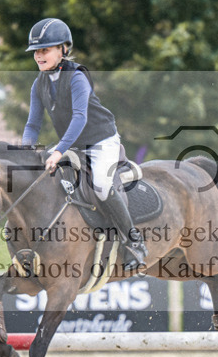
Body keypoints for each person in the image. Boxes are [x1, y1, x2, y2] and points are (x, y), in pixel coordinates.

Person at [21, 17, 146, 270]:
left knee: (100, 184)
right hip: (74, 144)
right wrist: (25, 151)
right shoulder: (39, 84)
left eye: (45, 50)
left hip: (101, 140)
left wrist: (58, 150)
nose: (38, 56)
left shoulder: (77, 77)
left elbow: (80, 118)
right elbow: (33, 125)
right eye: (36, 51)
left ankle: (134, 242)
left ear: (63, 49)